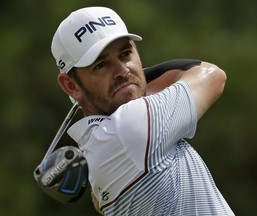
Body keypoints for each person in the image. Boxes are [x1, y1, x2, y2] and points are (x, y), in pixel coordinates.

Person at [51, 6, 234, 216]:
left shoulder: (96, 149)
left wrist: (127, 84)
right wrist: (134, 81)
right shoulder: (131, 126)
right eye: (101, 65)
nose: (122, 70)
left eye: (126, 53)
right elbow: (211, 75)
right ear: (71, 85)